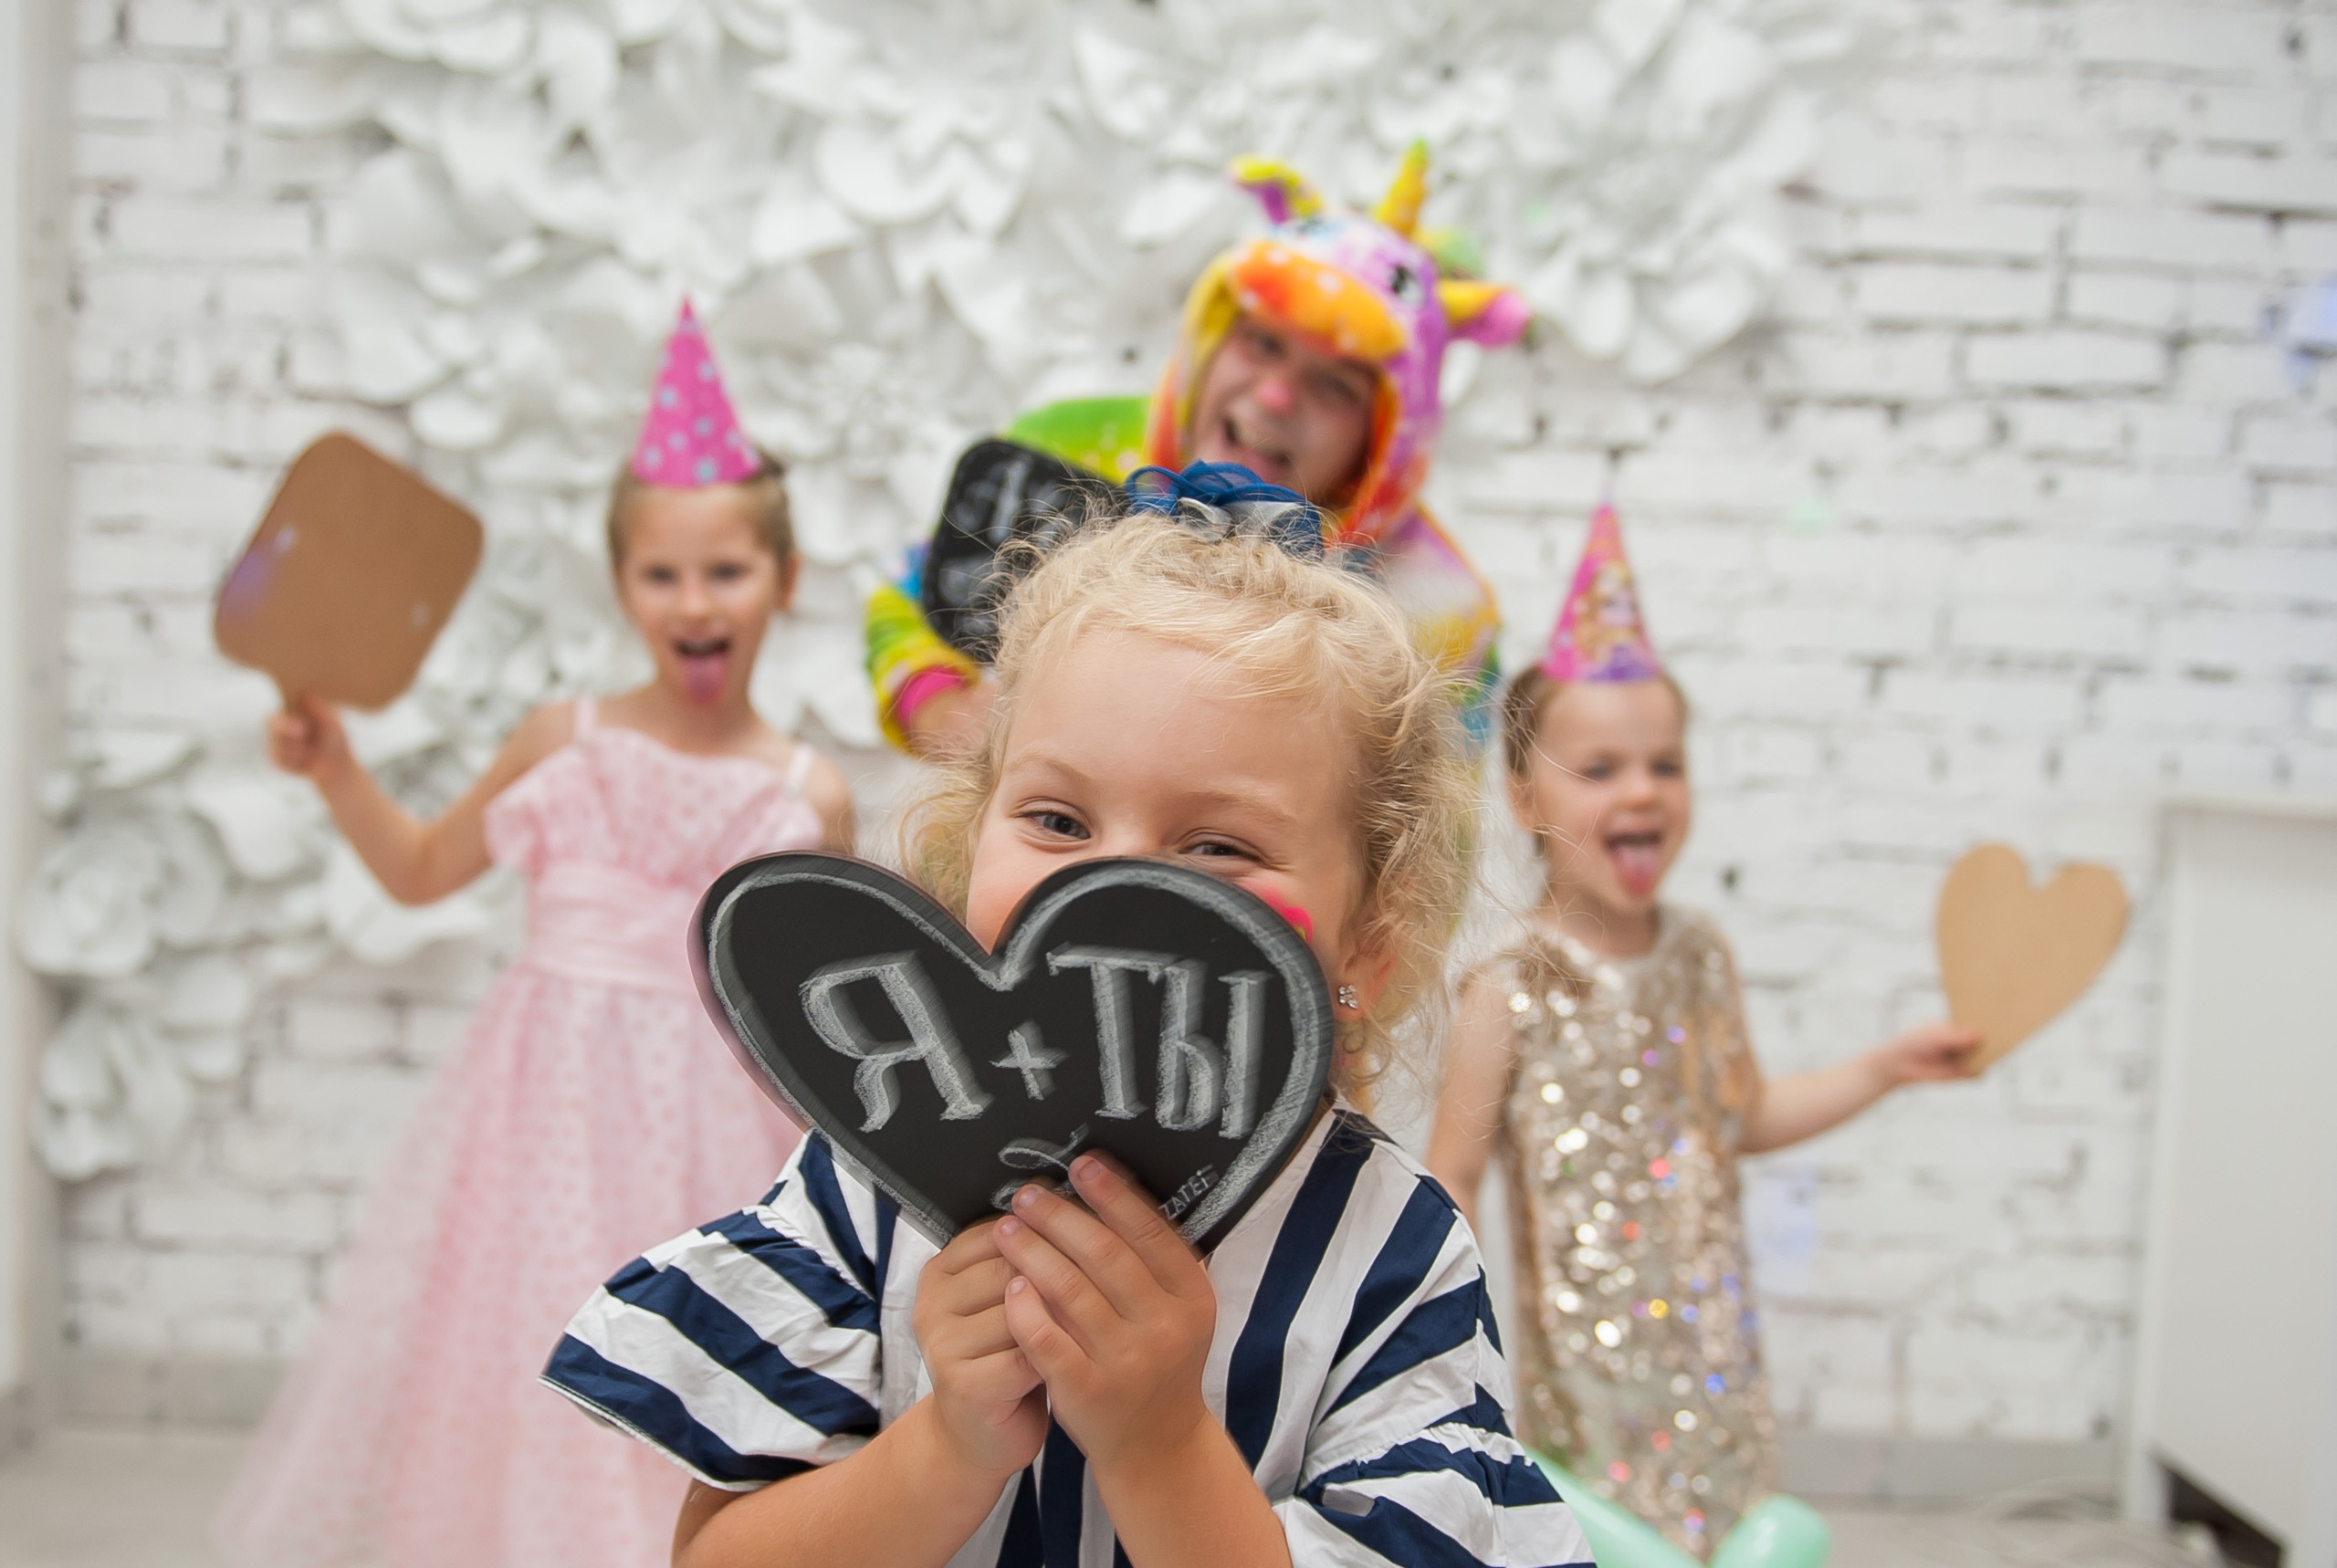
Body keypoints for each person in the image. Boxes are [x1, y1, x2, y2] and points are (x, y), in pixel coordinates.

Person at [544, 475, 1596, 1568]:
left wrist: (1158, 1442)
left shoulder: (1391, 1252)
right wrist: (946, 1445)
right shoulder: (865, 1183)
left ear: (1366, 946)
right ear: (969, 844)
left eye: (1218, 845)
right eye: (1056, 819)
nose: (1106, 890)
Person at [216, 303, 853, 1568]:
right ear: (621, 587)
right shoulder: (563, 740)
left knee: (681, 1364)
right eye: (660, 574)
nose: (693, 600)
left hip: (711, 1131)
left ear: (784, 582)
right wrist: (336, 764)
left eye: (726, 571)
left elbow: (813, 1011)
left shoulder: (807, 792)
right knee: (534, 1356)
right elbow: (418, 870)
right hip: (543, 1116)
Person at [1424, 505, 1979, 1560]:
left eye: (1665, 764)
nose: (1640, 789)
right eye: (1599, 769)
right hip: (1587, 1379)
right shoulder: (1508, 984)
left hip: (1716, 1360)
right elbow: (1452, 1177)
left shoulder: (1700, 954)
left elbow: (1743, 1114)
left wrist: (1886, 1065)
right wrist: (1450, 1351)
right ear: (1524, 791)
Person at [867, 142, 1530, 759]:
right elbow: (908, 596)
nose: (1275, 396)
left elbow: (1434, 829)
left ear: (1389, 432)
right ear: (1210, 338)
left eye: (1334, 385)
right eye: (1262, 343)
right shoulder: (1066, 447)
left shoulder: (1440, 611)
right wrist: (949, 712)